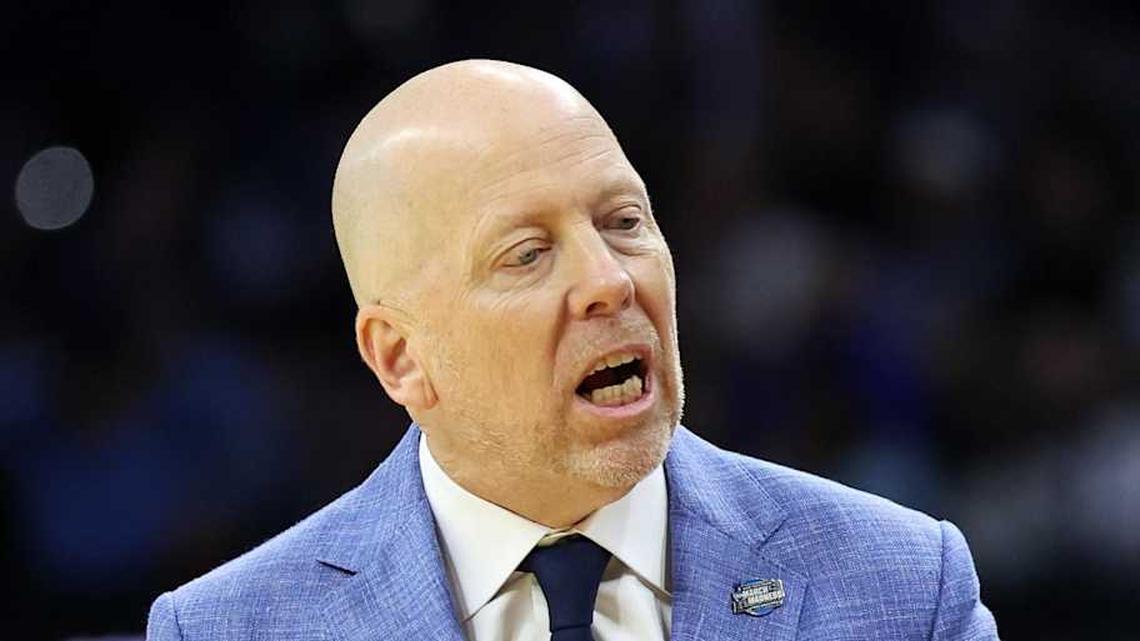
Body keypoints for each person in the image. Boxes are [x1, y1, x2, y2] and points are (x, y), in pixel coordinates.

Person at [146, 59, 999, 641]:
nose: (611, 281)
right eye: (526, 253)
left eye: (624, 222)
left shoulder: (902, 584)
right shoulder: (230, 625)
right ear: (400, 356)